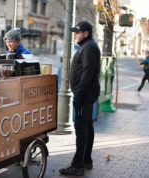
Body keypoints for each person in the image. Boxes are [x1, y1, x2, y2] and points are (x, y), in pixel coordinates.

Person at [59, 21, 101, 176]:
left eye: (77, 32)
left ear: (85, 33)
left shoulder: (89, 47)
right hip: (87, 93)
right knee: (87, 126)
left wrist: (78, 95)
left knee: (81, 128)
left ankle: (77, 166)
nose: (75, 35)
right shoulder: (88, 45)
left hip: (85, 94)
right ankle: (86, 160)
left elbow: (88, 74)